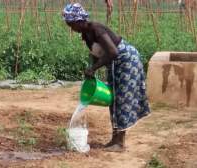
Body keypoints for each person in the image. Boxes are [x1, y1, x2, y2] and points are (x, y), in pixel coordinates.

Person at [62, 3, 150, 152]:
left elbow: (113, 52)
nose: (71, 28)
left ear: (79, 20)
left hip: (126, 61)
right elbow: (95, 53)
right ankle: (115, 139)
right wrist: (91, 69)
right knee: (113, 99)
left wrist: (94, 68)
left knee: (122, 100)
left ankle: (120, 143)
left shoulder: (96, 29)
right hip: (115, 63)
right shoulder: (86, 34)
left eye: (71, 24)